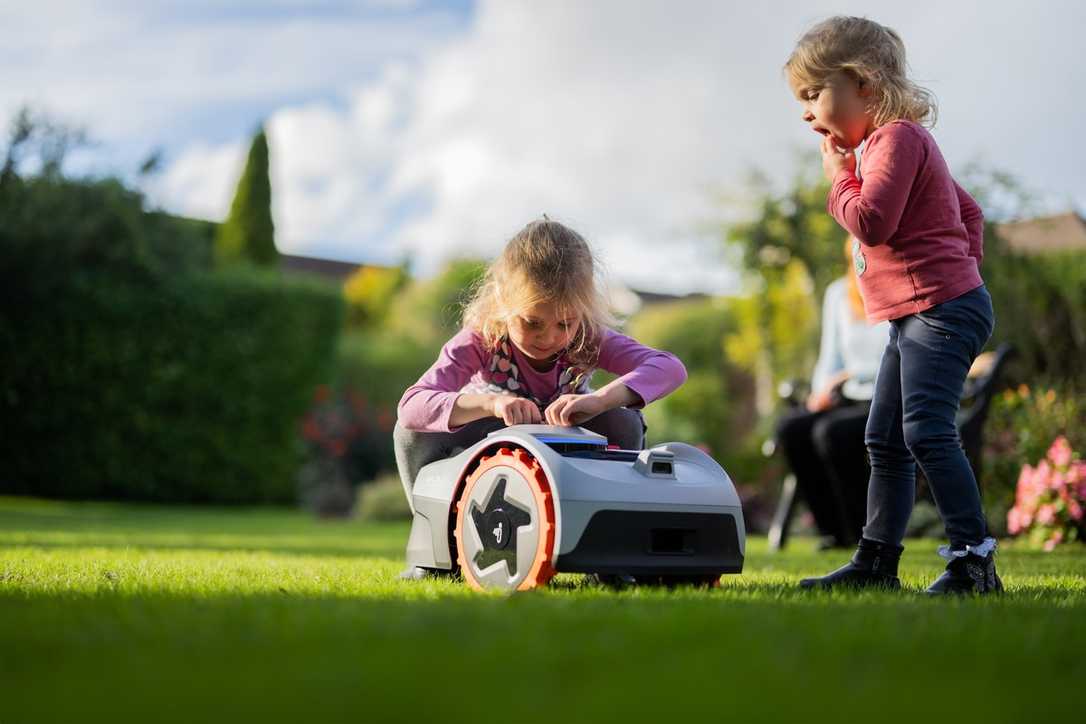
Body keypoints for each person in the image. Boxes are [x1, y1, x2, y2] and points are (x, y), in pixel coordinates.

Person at [785, 16, 1000, 594]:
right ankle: (876, 562)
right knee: (883, 438)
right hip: (922, 313)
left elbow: (872, 224)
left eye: (813, 93)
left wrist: (838, 179)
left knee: (927, 431)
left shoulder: (898, 140)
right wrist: (956, 271)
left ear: (863, 84)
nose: (806, 111)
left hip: (942, 310)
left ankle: (973, 560)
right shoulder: (889, 147)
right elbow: (970, 214)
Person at [394, 218, 687, 577]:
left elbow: (670, 367)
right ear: (503, 299)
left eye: (565, 323)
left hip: (564, 442)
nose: (549, 337)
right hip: (490, 439)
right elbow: (412, 405)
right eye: (533, 322)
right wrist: (493, 404)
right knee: (410, 431)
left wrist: (599, 400)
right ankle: (435, 554)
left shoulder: (589, 339)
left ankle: (609, 554)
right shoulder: (480, 340)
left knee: (622, 420)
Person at [775, 237, 889, 549]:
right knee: (792, 428)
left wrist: (852, 374)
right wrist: (820, 391)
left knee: (832, 433)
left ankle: (863, 532)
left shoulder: (900, 291)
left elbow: (900, 358)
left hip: (889, 398)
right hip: (847, 397)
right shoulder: (838, 294)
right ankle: (833, 532)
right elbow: (830, 358)